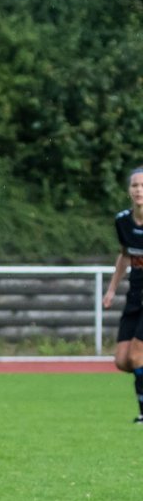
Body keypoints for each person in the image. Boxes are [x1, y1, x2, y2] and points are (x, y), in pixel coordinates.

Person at [103, 166, 143, 423]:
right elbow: (125, 255)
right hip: (135, 294)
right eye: (135, 186)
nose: (139, 191)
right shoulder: (122, 221)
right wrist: (111, 289)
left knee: (136, 356)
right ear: (129, 191)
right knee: (122, 361)